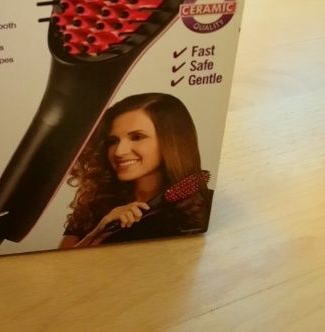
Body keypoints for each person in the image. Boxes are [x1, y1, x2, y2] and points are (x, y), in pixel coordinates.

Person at [59, 92, 212, 248]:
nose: (119, 152)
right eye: (113, 141)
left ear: (171, 141)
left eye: (137, 137)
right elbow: (61, 259)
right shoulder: (94, 204)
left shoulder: (204, 206)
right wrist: (98, 233)